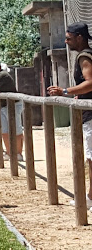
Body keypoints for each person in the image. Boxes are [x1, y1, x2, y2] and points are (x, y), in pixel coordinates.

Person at [48, 22, 92, 208]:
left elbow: (90, 83)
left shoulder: (84, 57)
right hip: (87, 112)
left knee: (91, 157)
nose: (66, 42)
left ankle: (90, 197)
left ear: (79, 38)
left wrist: (65, 91)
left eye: (68, 38)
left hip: (91, 114)